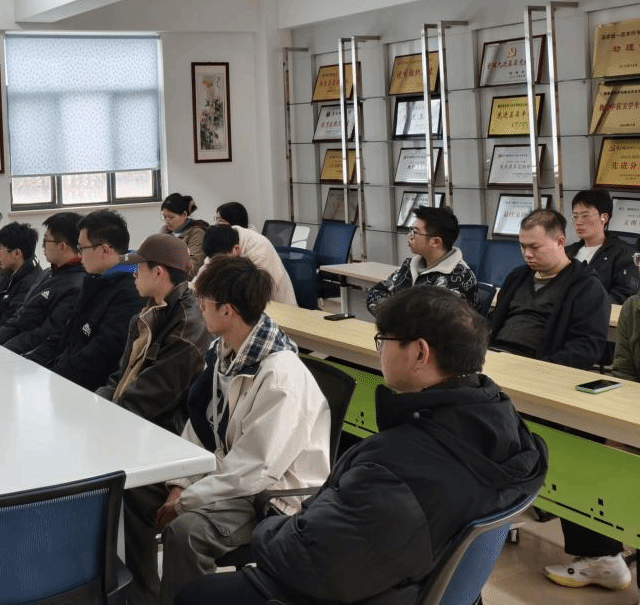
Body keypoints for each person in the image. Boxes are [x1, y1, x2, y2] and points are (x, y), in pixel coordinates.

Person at [176, 286, 549, 605]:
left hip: (367, 588)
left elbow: (311, 561)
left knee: (195, 595)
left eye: (383, 341)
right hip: (410, 579)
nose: (378, 351)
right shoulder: (508, 428)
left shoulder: (397, 466)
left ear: (420, 353)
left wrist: (269, 528)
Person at [124, 256, 331, 605]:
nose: (199, 307)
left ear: (227, 311)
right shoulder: (225, 353)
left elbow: (255, 470)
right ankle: (148, 598)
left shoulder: (280, 377)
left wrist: (185, 500)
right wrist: (180, 483)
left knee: (186, 534)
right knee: (134, 493)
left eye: (203, 301)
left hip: (271, 496)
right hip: (230, 474)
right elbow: (200, 425)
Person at [542, 221, 640, 605]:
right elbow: (623, 373)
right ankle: (600, 557)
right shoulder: (633, 308)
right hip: (637, 415)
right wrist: (617, 429)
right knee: (576, 439)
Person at [96, 233, 211, 434]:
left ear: (158, 272)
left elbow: (146, 400)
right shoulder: (149, 312)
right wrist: (97, 401)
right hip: (128, 421)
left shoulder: (187, 328)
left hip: (157, 435)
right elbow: (120, 376)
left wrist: (101, 418)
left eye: (139, 268)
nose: (134, 274)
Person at [26, 210, 144, 391]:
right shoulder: (95, 279)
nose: (79, 255)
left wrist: (52, 377)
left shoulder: (131, 292)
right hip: (62, 376)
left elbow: (102, 355)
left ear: (104, 250)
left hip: (86, 391)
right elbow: (65, 334)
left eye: (82, 248)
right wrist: (30, 362)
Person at [488, 208, 609, 370]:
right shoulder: (516, 277)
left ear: (560, 242)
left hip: (540, 366)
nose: (527, 254)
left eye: (534, 247)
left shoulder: (586, 286)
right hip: (495, 356)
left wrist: (544, 368)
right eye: (523, 246)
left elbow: (587, 346)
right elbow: (494, 320)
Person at [0, 212, 88, 353]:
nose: (43, 247)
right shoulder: (47, 273)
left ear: (62, 246)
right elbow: (20, 315)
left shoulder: (76, 286)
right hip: (11, 344)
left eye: (46, 241)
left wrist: (3, 350)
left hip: (27, 355)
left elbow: (45, 334)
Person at [366, 206, 478, 315]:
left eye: (415, 232)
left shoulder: (459, 277)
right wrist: (396, 314)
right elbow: (376, 292)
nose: (410, 236)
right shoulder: (409, 265)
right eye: (411, 230)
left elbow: (435, 321)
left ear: (436, 242)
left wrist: (392, 312)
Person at [566, 189, 639, 305]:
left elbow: (624, 295)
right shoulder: (568, 252)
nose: (578, 222)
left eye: (585, 216)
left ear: (604, 217)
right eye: (575, 216)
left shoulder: (623, 254)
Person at [199, 223, 298, 306]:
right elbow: (202, 276)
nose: (218, 265)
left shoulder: (260, 251)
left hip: (278, 308)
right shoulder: (221, 243)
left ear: (236, 249)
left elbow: (250, 294)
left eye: (221, 262)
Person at [162, 193, 211, 277]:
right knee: (139, 267)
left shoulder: (197, 233)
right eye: (164, 216)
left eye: (171, 217)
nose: (166, 221)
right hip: (163, 273)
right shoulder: (166, 230)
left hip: (182, 279)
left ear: (184, 214)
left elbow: (193, 269)